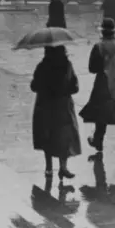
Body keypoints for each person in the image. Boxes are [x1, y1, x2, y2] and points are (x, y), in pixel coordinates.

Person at [80, 18, 115, 163]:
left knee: (101, 115)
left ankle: (98, 141)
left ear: (102, 32)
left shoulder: (99, 47)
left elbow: (92, 68)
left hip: (104, 85)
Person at [31, 45, 82, 180]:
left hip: (45, 106)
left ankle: (49, 168)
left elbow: (34, 86)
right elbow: (75, 87)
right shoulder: (67, 65)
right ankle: (63, 167)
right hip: (63, 106)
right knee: (63, 136)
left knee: (47, 135)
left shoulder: (42, 66)